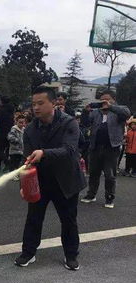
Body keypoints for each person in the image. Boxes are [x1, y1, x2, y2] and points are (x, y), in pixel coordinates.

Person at [15, 87, 86, 271]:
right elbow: (28, 160)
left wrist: (43, 153)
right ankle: (28, 252)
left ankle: (71, 255)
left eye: (40, 103)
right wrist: (24, 184)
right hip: (41, 181)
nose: (36, 108)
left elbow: (70, 150)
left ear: (53, 103)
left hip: (66, 180)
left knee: (69, 220)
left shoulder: (69, 123)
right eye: (33, 104)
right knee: (34, 218)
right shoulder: (30, 129)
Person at [80, 90, 131, 208]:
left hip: (111, 148)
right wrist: (85, 111)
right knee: (93, 173)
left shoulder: (118, 111)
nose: (104, 102)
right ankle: (91, 194)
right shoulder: (97, 112)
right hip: (95, 147)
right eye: (102, 99)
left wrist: (111, 107)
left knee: (110, 175)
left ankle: (109, 198)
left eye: (107, 99)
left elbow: (127, 113)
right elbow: (85, 123)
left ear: (113, 99)